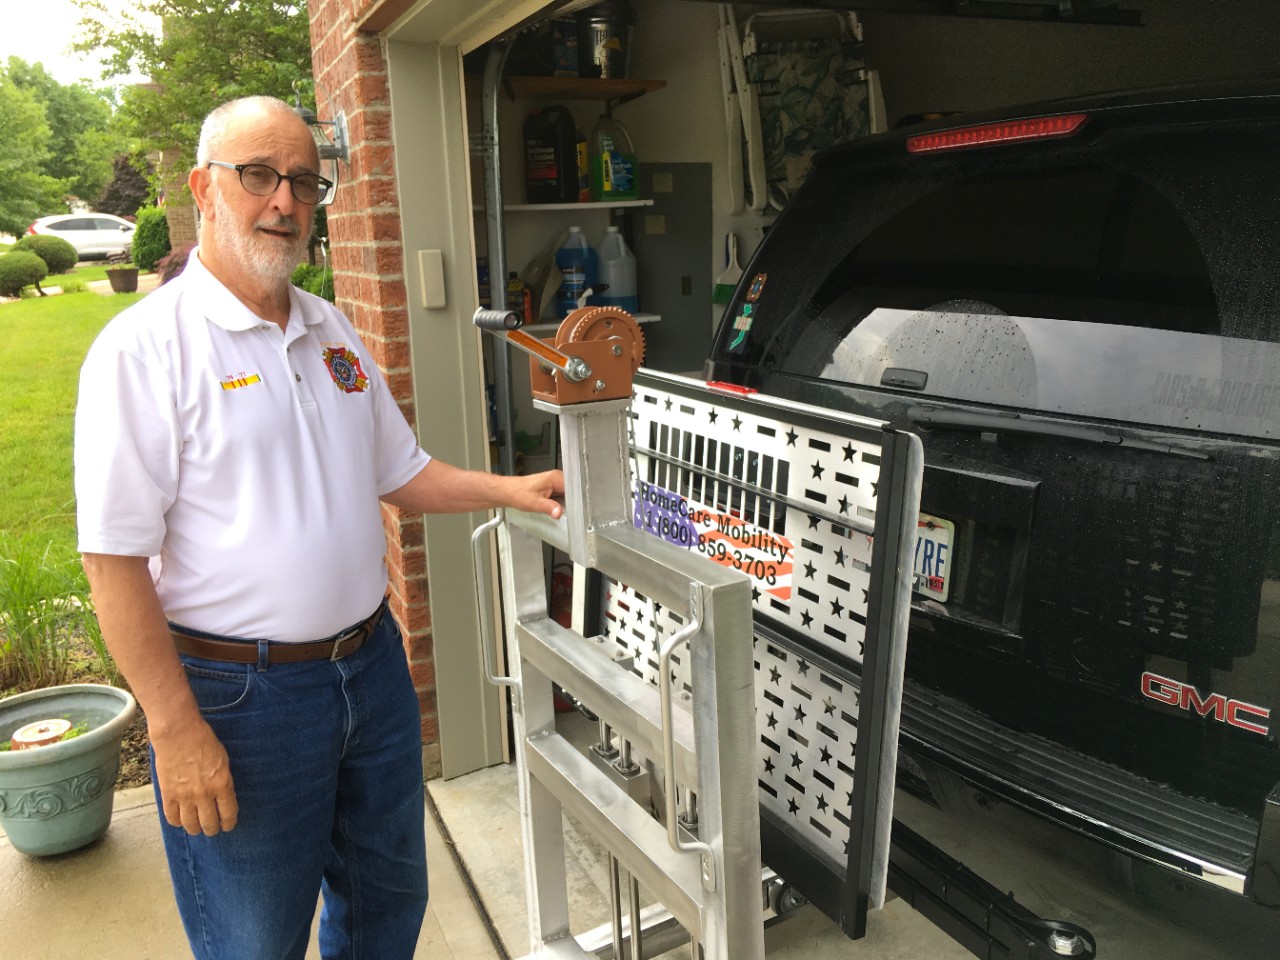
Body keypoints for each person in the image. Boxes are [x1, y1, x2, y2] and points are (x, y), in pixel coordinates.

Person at [74, 95, 564, 960]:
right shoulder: (144, 349)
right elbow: (112, 561)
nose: (285, 202)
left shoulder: (328, 328)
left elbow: (399, 472)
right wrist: (175, 728)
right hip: (241, 702)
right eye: (258, 175)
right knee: (254, 939)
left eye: (304, 180)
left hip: (369, 671)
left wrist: (512, 489)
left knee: (387, 908)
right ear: (203, 186)